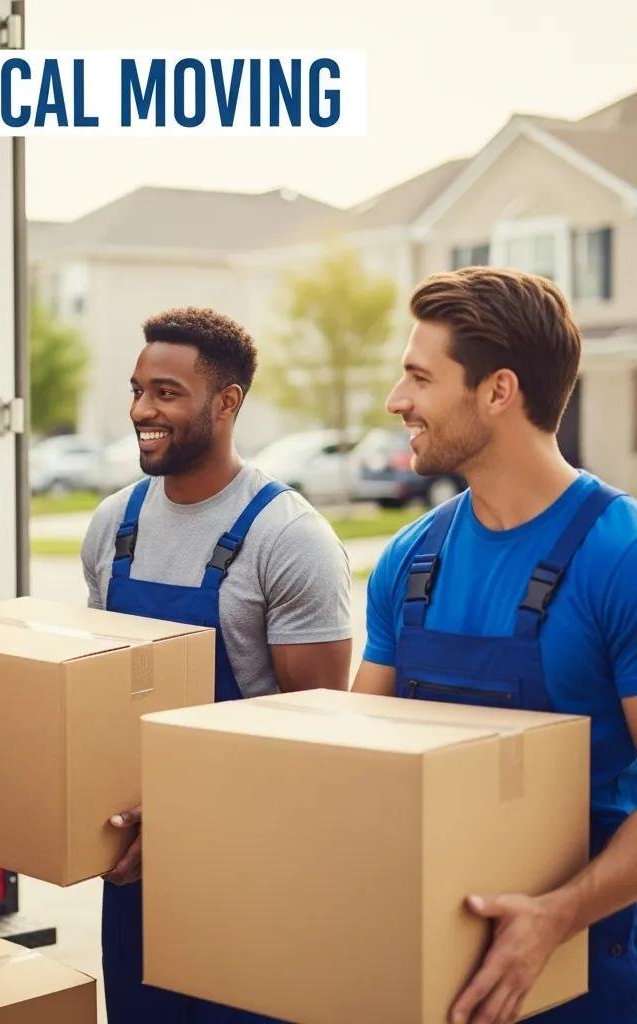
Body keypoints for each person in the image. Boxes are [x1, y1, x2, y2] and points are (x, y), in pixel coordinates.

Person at [354, 267, 637, 1024]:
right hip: (425, 967)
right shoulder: (410, 560)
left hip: (586, 972)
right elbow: (350, 759)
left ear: (499, 391)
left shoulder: (621, 556)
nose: (397, 401)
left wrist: (554, 917)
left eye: (419, 376)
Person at [81, 307, 352, 1023]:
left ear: (227, 403)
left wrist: (189, 809)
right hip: (137, 862)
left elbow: (322, 736)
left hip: (251, 865)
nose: (142, 409)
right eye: (137, 389)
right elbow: (98, 691)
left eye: (167, 392)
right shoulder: (115, 524)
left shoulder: (287, 538)